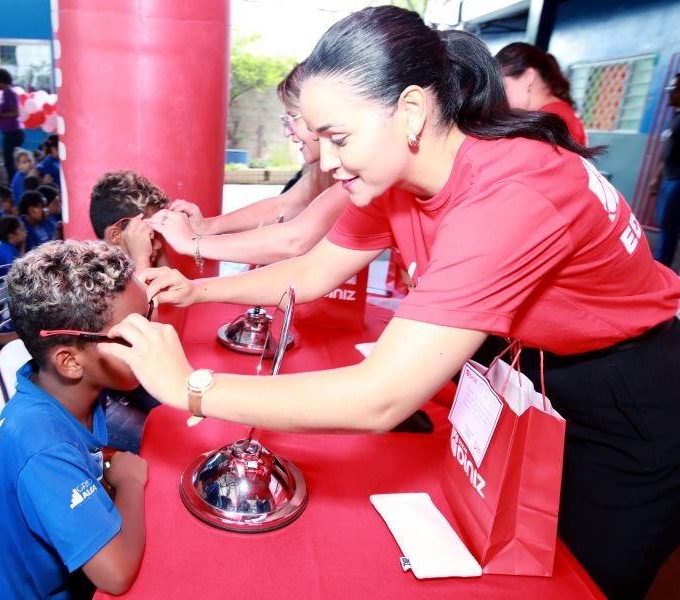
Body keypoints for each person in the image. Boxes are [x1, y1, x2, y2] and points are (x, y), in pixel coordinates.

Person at [103, 8, 680, 600]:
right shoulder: (394, 176)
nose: (325, 161)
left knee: (577, 578)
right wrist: (200, 290)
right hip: (527, 371)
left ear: (410, 111)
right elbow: (312, 269)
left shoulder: (511, 193)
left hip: (627, 398)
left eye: (339, 138)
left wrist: (191, 388)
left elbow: (381, 395)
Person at [0, 240, 149, 598]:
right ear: (70, 361)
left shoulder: (65, 390)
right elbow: (116, 574)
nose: (156, 340)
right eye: (131, 334)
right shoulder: (43, 445)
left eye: (149, 318)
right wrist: (130, 483)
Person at [150, 61, 350, 265]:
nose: (287, 131)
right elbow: (283, 205)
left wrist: (192, 243)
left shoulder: (354, 172)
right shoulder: (328, 172)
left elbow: (294, 241)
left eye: (291, 117)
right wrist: (208, 227)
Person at [496, 42, 587, 146]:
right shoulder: (560, 113)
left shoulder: (549, 121)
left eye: (503, 86)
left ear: (528, 77)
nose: (500, 96)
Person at [89, 170, 169, 269]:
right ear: (115, 235)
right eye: (150, 235)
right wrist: (140, 258)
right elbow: (144, 283)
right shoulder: (95, 280)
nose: (159, 245)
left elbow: (166, 283)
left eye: (159, 235)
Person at [652, 72, 680, 269]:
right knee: (664, 223)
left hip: (678, 181)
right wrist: (657, 177)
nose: (669, 93)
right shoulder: (675, 118)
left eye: (674, 89)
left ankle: (660, 270)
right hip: (668, 178)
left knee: (669, 227)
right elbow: (667, 150)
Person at [0, 68, 25, 182]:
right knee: (9, 161)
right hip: (8, 132)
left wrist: (0, 116)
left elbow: (15, 112)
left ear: (0, 80)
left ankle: (14, 185)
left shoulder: (10, 93)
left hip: (13, 132)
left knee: (10, 162)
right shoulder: (4, 94)